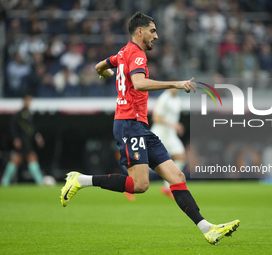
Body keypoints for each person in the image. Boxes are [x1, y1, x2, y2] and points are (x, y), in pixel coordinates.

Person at [60, 12, 239, 245]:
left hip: (140, 126)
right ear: (140, 31)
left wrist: (102, 71)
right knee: (140, 185)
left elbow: (100, 65)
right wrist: (174, 83)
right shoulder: (136, 54)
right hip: (128, 124)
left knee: (176, 176)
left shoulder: (123, 52)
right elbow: (139, 83)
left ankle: (208, 229)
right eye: (153, 31)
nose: (156, 35)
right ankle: (80, 180)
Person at [1, 95, 44, 186]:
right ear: (24, 101)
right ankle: (40, 181)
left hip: (27, 141)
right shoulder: (18, 115)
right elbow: (13, 128)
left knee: (18, 160)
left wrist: (38, 137)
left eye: (30, 101)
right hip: (22, 141)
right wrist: (15, 138)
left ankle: (5, 181)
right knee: (28, 158)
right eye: (27, 101)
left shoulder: (29, 114)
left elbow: (33, 129)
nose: (29, 103)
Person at [151, 88, 186, 199]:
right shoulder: (164, 98)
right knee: (146, 162)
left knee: (181, 157)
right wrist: (174, 125)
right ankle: (128, 183)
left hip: (170, 135)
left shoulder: (177, 100)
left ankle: (167, 187)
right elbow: (156, 117)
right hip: (160, 133)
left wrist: (174, 127)